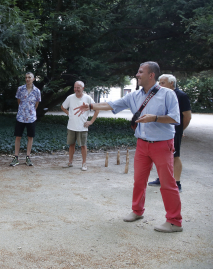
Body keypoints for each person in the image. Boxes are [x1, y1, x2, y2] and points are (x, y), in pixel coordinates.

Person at [74, 62, 183, 233]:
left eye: (140, 72)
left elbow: (176, 118)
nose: (137, 75)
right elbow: (112, 104)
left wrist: (154, 118)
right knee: (139, 181)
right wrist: (90, 106)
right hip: (142, 144)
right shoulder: (134, 96)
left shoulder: (168, 94)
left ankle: (174, 221)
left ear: (151, 75)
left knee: (168, 184)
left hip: (162, 144)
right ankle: (137, 211)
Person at [148, 74, 191, 192]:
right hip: (162, 130)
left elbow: (187, 116)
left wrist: (181, 130)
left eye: (163, 83)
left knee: (175, 156)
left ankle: (177, 183)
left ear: (171, 83)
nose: (160, 85)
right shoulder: (161, 94)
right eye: (159, 83)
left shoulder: (181, 95)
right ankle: (162, 179)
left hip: (174, 130)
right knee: (162, 156)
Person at [61, 81, 99, 170]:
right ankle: (70, 162)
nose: (76, 89)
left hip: (83, 127)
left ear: (83, 88)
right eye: (75, 87)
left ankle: (84, 163)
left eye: (78, 87)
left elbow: (97, 109)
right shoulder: (70, 97)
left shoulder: (88, 98)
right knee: (71, 145)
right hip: (71, 126)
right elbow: (63, 107)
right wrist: (69, 114)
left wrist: (91, 121)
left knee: (83, 145)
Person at [10, 72, 41, 166]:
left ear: (33, 79)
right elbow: (19, 101)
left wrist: (31, 111)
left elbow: (36, 104)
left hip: (31, 118)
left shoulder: (37, 91)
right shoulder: (20, 89)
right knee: (18, 136)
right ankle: (16, 157)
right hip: (20, 117)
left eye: (29, 77)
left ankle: (28, 157)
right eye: (26, 77)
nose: (27, 79)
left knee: (30, 137)